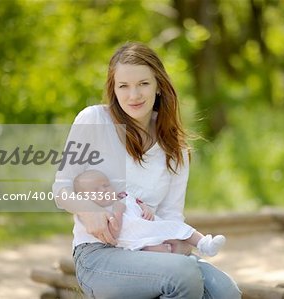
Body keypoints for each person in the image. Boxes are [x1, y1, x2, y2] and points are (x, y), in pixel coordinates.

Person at [53, 42, 241, 299]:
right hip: (99, 253)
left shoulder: (175, 148)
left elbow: (171, 217)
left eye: (143, 84)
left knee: (225, 292)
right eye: (124, 86)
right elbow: (61, 189)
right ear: (113, 89)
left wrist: (172, 247)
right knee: (183, 275)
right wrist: (89, 211)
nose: (134, 95)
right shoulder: (94, 120)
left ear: (159, 86)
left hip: (153, 250)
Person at [73, 169, 226, 256]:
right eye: (95, 190)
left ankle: (205, 243)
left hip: (152, 225)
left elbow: (137, 202)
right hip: (137, 239)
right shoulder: (102, 213)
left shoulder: (122, 195)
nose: (103, 190)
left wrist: (145, 208)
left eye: (105, 185)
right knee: (152, 250)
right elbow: (112, 234)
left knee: (177, 227)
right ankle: (174, 259)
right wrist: (118, 212)